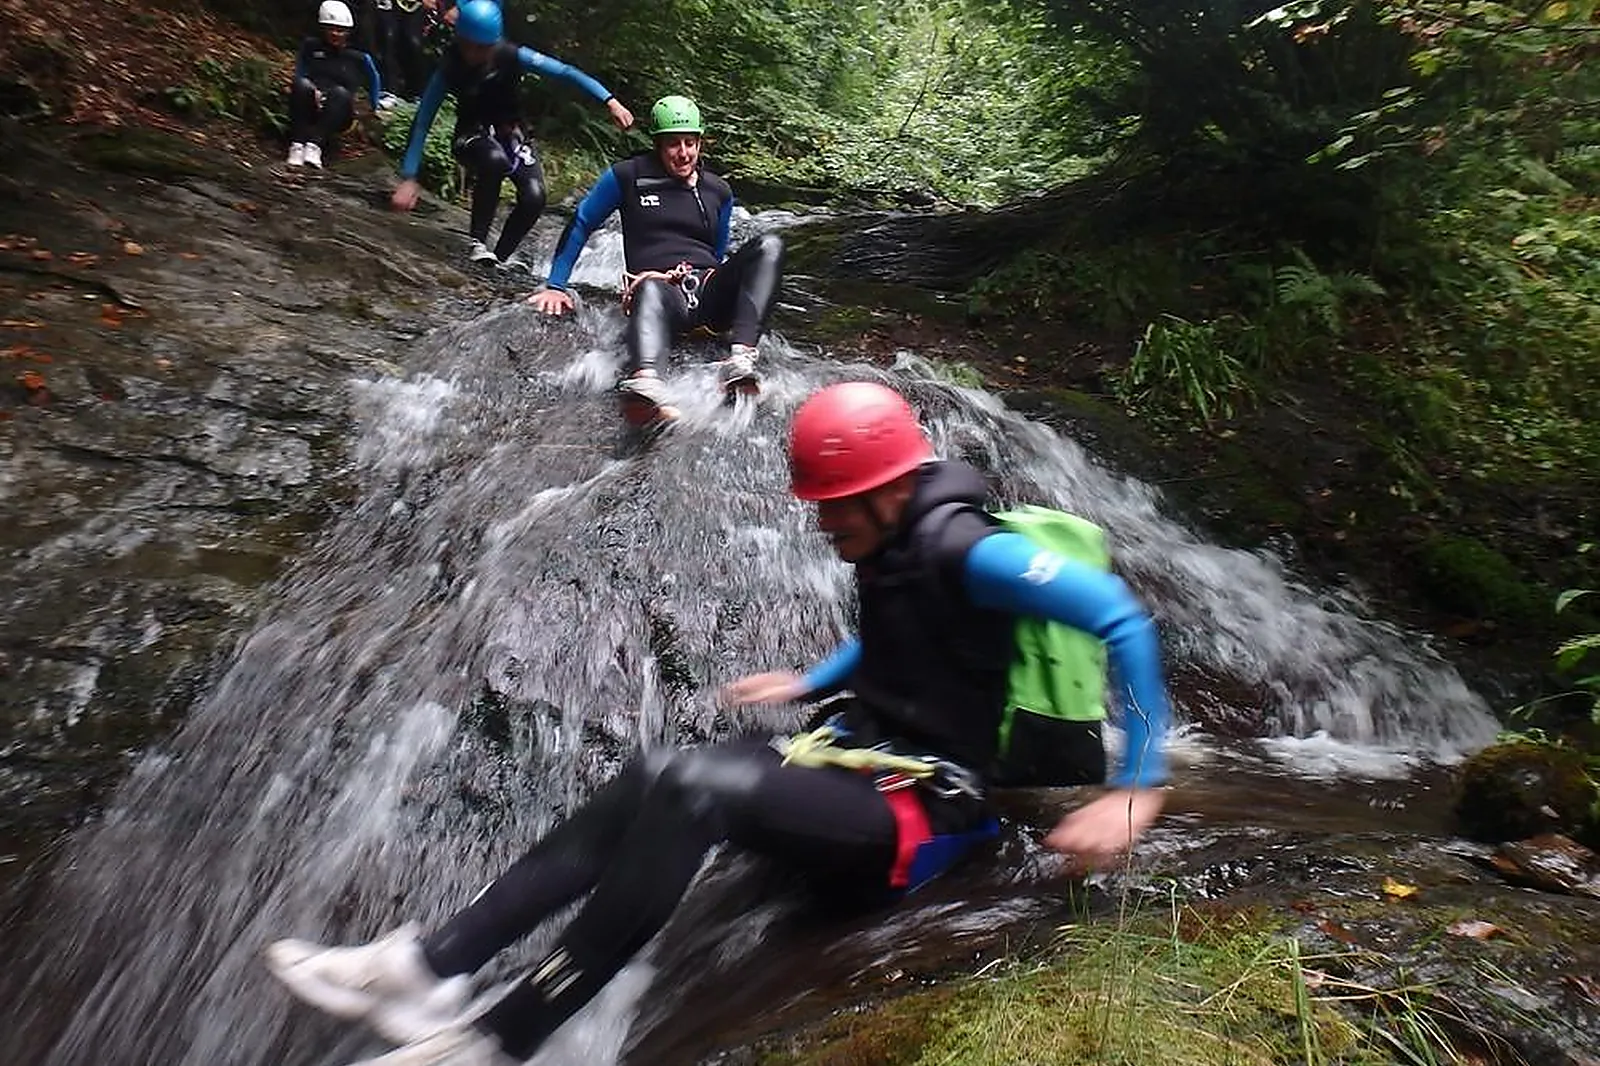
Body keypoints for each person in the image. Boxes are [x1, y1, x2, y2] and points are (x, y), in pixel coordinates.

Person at [264, 381, 1173, 1066]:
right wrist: (813, 678)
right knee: (655, 773)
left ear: (888, 490)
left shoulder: (976, 551)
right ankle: (429, 967)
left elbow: (1122, 619)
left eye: (832, 504)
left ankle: (503, 1039)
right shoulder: (896, 541)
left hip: (929, 816)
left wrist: (1136, 792)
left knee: (699, 788)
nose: (820, 522)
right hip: (862, 765)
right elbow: (904, 632)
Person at [527, 95, 785, 428]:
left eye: (690, 143)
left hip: (707, 292)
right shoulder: (628, 176)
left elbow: (717, 252)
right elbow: (582, 222)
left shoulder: (718, 190)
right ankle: (647, 384)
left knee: (770, 245)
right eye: (673, 143)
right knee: (649, 286)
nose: (684, 153)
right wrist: (555, 285)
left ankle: (739, 361)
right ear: (658, 144)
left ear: (700, 142)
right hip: (659, 293)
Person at [389, 0, 633, 271]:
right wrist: (409, 177)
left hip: (511, 134)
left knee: (534, 197)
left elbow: (565, 72)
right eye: (469, 45)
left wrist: (610, 100)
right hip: (470, 135)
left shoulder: (512, 55)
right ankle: (477, 243)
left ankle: (499, 259)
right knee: (494, 160)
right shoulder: (450, 67)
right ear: (460, 39)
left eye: (482, 47)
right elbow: (422, 121)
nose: (474, 54)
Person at [287, 0, 395, 169]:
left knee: (340, 93)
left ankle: (315, 146)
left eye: (341, 30)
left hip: (340, 110)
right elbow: (300, 71)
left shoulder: (357, 57)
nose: (336, 34)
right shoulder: (311, 46)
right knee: (301, 85)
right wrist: (310, 88)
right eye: (331, 29)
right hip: (312, 103)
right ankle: (297, 145)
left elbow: (374, 78)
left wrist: (375, 105)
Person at [361, 0, 432, 101]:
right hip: (386, 5)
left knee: (413, 42)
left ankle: (417, 91)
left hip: (414, 6)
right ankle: (389, 89)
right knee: (387, 38)